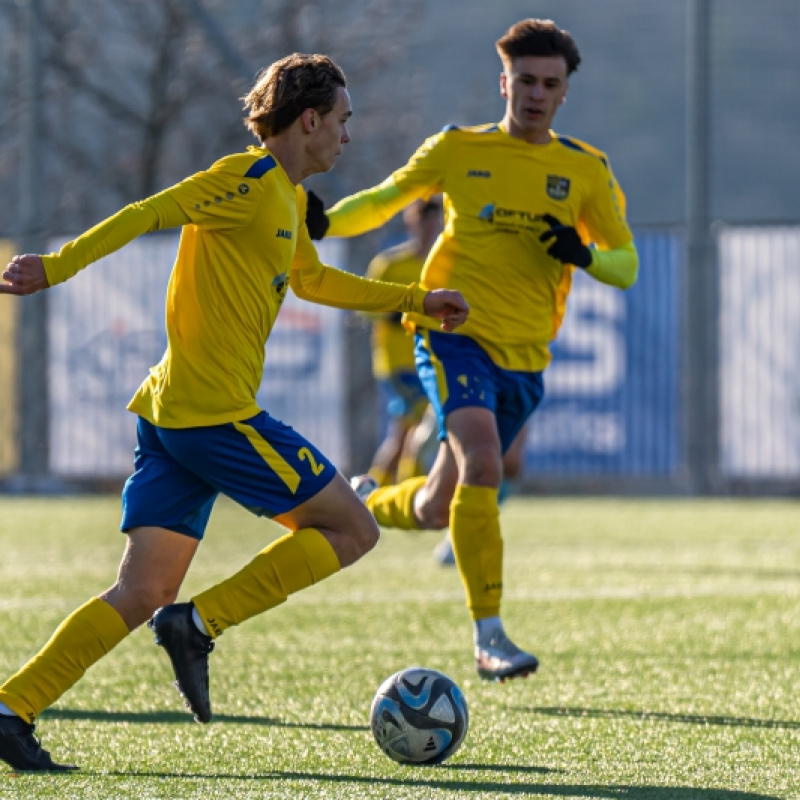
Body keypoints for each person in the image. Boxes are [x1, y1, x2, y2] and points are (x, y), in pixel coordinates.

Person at [0, 53, 468, 772]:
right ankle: (197, 624)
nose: (347, 136)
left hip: (172, 415)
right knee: (352, 529)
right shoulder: (245, 179)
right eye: (342, 122)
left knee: (141, 589)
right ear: (308, 120)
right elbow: (146, 212)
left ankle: (11, 708)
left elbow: (311, 279)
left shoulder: (281, 196)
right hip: (213, 418)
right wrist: (54, 269)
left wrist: (416, 301)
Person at [305, 19, 638, 682]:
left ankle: (366, 500)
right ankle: (489, 638)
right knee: (485, 459)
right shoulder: (458, 149)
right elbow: (386, 197)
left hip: (525, 357)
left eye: (550, 84)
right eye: (525, 81)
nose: (535, 94)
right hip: (452, 331)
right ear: (504, 81)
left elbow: (625, 264)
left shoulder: (585, 171)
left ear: (565, 92)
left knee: (435, 506)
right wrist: (320, 222)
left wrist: (584, 254)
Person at [364, 197, 443, 487]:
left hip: (429, 361)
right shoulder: (389, 265)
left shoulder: (442, 266)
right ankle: (414, 486)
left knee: (401, 434)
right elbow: (367, 309)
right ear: (413, 222)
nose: (431, 228)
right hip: (396, 363)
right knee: (425, 415)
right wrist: (414, 311)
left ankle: (369, 489)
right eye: (426, 221)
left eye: (436, 221)